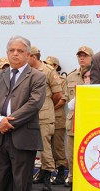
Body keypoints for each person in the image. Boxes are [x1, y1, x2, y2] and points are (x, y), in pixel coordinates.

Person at [0, 35, 46, 191]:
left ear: (28, 54)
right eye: (12, 50)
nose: (15, 53)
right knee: (0, 183)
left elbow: (34, 104)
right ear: (7, 52)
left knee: (21, 184)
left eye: (20, 50)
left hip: (23, 137)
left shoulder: (38, 77)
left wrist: (7, 122)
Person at [28, 46, 63, 191]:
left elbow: (57, 94)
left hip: (44, 116)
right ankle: (35, 175)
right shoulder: (26, 71)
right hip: (29, 116)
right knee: (28, 147)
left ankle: (48, 179)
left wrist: (46, 105)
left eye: (27, 56)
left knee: (44, 147)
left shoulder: (48, 71)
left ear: (34, 57)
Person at [65, 46, 94, 189]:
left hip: (91, 122)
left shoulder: (99, 75)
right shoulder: (70, 76)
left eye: (85, 55)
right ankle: (72, 179)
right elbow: (67, 101)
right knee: (71, 154)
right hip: (73, 122)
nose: (82, 58)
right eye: (79, 56)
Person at [44, 56, 68, 185]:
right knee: (44, 147)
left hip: (57, 118)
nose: (48, 67)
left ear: (55, 67)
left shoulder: (62, 80)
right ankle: (44, 172)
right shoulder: (41, 78)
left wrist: (48, 108)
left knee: (57, 147)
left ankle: (60, 172)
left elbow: (62, 99)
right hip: (44, 118)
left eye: (50, 65)